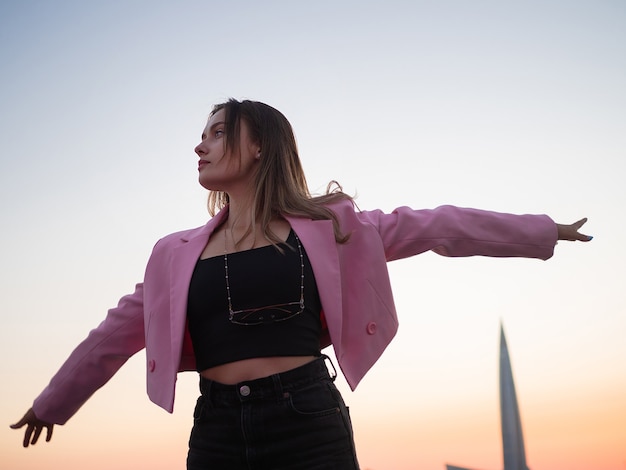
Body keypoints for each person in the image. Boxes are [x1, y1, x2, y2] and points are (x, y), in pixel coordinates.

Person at [11, 99, 592, 469]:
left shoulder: (332, 227)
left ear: (258, 144)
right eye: (203, 134)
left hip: (307, 421)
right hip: (216, 432)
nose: (200, 144)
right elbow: (114, 334)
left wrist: (544, 232)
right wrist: (52, 404)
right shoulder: (173, 254)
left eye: (217, 133)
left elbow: (437, 225)